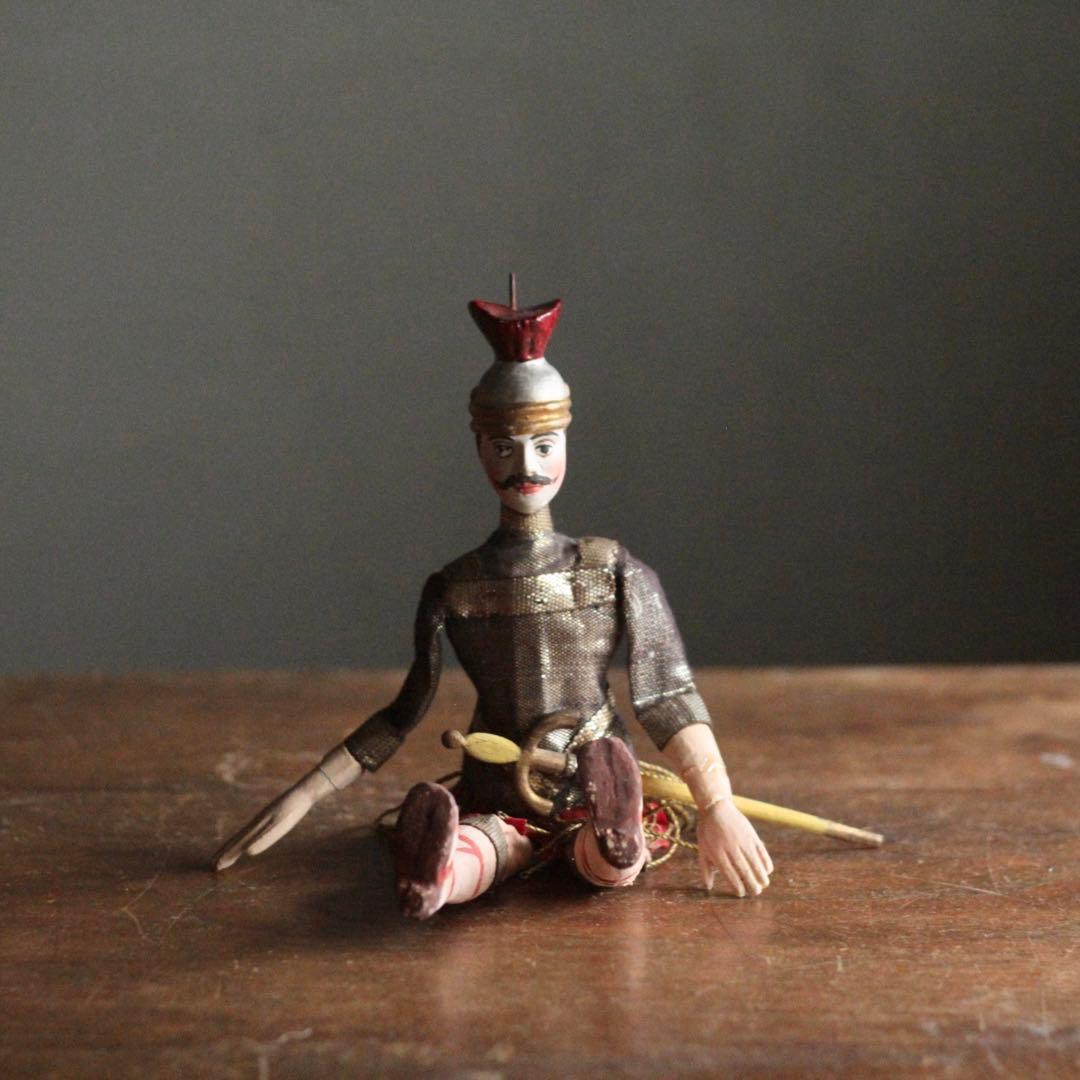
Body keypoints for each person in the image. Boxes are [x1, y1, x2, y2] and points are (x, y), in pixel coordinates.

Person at [214, 292, 773, 917]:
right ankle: (438, 874)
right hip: (499, 783)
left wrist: (719, 804)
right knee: (497, 843)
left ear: (567, 443)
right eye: (504, 448)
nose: (525, 466)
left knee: (588, 851)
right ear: (479, 448)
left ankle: (605, 833)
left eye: (544, 445)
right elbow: (401, 714)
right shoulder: (455, 586)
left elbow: (666, 696)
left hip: (590, 772)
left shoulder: (611, 569)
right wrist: (305, 793)